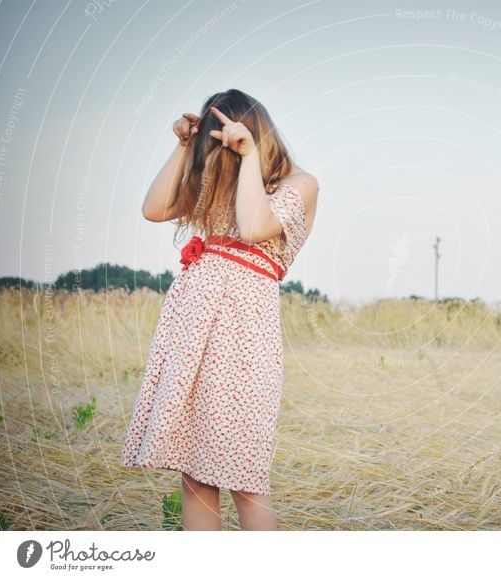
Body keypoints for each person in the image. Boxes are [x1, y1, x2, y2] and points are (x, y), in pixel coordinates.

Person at [120, 88, 318, 531]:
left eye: (228, 140)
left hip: (244, 332)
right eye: (217, 142)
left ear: (255, 133)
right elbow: (154, 209)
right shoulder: (217, 185)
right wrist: (185, 145)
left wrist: (248, 156)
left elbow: (253, 228)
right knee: (195, 473)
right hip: (193, 325)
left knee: (244, 475)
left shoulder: (298, 185)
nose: (222, 151)